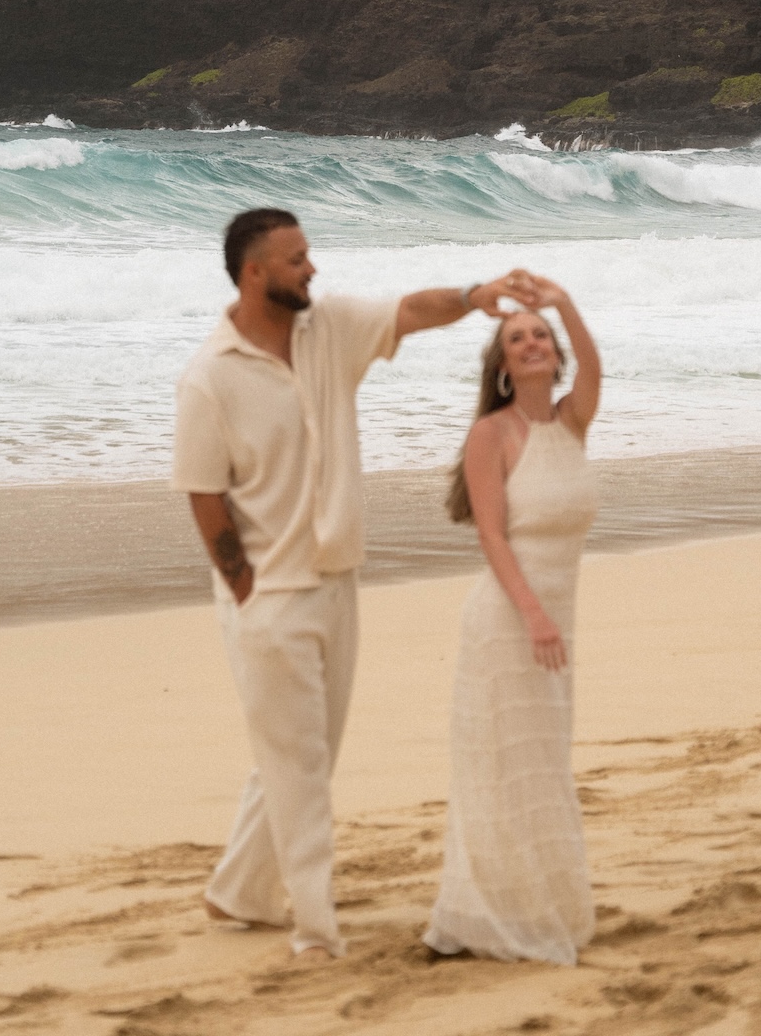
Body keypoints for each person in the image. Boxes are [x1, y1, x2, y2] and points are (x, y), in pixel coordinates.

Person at [172, 205, 535, 960]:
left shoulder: (328, 329)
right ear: (255, 273)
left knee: (304, 751)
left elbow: (407, 313)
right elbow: (204, 494)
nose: (312, 269)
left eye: (308, 255)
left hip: (337, 578)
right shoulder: (209, 377)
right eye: (297, 259)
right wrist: (245, 591)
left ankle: (238, 890)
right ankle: (314, 928)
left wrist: (474, 295)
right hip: (268, 595)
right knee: (299, 766)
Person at [424, 273, 602, 965]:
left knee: (544, 763)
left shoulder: (572, 420)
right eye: (516, 339)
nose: (530, 344)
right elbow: (492, 536)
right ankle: (476, 916)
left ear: (553, 355)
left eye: (539, 338)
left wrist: (563, 303)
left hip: (557, 620)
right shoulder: (490, 434)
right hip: (509, 621)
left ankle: (534, 905)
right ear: (500, 367)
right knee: (503, 766)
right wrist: (532, 616)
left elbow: (595, 364)